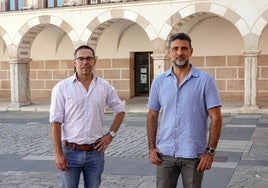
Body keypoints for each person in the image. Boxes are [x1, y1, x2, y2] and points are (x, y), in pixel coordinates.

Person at [147, 33, 222, 188]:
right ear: (169, 52)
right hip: (165, 154)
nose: (179, 52)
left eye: (184, 48)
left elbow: (216, 118)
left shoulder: (205, 80)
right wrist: (151, 148)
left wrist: (210, 152)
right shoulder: (159, 81)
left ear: (191, 51)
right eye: (175, 49)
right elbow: (152, 115)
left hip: (194, 155)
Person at [49, 45, 125, 188]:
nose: (85, 62)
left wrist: (111, 134)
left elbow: (120, 110)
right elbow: (55, 122)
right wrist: (59, 154)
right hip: (70, 153)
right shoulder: (62, 88)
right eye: (81, 59)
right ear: (74, 62)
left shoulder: (104, 86)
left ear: (95, 61)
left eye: (89, 58)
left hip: (95, 153)